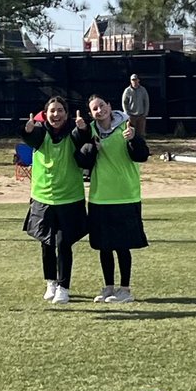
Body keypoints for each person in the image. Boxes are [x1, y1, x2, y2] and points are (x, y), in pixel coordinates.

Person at [77, 93, 149, 303]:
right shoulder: (89, 131)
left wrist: (133, 138)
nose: (100, 110)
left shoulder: (127, 126)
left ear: (109, 105)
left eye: (102, 105)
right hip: (100, 197)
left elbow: (142, 155)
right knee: (104, 246)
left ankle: (125, 290)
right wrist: (87, 142)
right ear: (91, 114)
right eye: (95, 109)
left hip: (126, 195)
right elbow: (81, 159)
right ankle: (108, 287)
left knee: (122, 245)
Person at [21, 96, 89, 305]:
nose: (56, 114)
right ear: (46, 114)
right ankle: (50, 281)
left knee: (63, 242)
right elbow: (30, 139)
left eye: (60, 110)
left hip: (69, 198)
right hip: (43, 197)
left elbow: (85, 143)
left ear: (66, 114)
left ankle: (63, 286)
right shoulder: (40, 133)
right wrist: (28, 130)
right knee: (46, 243)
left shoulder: (74, 133)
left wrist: (84, 129)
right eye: (52, 111)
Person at [121, 73, 149, 138]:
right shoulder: (127, 91)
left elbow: (146, 102)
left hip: (141, 115)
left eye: (135, 79)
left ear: (138, 80)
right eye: (133, 80)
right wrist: (127, 114)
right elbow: (124, 102)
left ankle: (141, 146)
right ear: (130, 81)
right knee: (131, 134)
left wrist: (145, 113)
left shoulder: (143, 90)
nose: (134, 81)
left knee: (141, 134)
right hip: (131, 116)